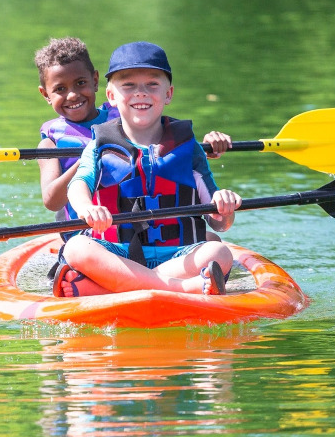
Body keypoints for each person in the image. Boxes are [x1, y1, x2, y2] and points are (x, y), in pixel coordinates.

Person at [54, 41, 241, 298]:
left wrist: (224, 206)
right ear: (111, 96)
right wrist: (87, 208)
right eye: (128, 85)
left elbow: (219, 224)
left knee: (218, 251)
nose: (140, 93)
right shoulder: (99, 145)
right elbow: (78, 185)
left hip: (177, 254)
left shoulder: (188, 147)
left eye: (152, 84)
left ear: (169, 94)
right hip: (115, 252)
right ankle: (182, 289)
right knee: (76, 247)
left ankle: (102, 288)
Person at [34, 37, 116, 220]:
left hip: (131, 228)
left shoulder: (123, 119)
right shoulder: (50, 144)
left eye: (80, 83)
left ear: (95, 80)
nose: (72, 95)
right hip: (85, 233)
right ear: (46, 94)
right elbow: (51, 201)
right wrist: (88, 159)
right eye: (60, 89)